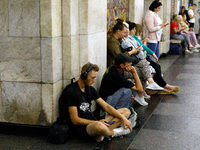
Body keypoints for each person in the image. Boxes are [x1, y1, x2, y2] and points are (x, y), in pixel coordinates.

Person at [59, 62, 132, 142]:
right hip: (82, 127)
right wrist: (96, 121)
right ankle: (114, 133)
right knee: (99, 126)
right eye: (92, 78)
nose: (94, 81)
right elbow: (75, 120)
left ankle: (102, 134)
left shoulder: (90, 89)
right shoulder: (71, 91)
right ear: (84, 76)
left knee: (125, 111)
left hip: (93, 119)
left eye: (95, 78)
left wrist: (124, 119)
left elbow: (106, 107)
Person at [130, 22, 180, 94]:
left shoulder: (133, 37)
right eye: (133, 29)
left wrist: (151, 52)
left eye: (135, 29)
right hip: (138, 59)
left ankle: (162, 86)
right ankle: (162, 87)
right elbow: (140, 48)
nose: (134, 31)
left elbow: (141, 47)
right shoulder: (130, 39)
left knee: (156, 66)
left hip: (141, 57)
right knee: (154, 67)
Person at [120, 23, 164, 95]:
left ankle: (143, 92)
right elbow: (127, 51)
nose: (127, 31)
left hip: (138, 58)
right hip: (131, 61)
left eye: (128, 29)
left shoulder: (131, 38)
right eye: (125, 31)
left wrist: (140, 51)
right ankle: (143, 90)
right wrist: (135, 51)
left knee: (151, 67)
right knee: (145, 69)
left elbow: (140, 46)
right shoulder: (123, 41)